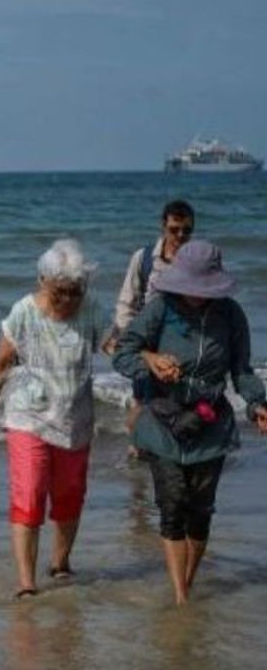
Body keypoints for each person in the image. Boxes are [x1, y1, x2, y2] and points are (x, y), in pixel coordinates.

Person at [111, 240, 267, 605]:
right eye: (190, 288)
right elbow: (123, 353)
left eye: (203, 290)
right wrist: (150, 360)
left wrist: (258, 404)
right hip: (162, 419)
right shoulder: (159, 309)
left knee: (201, 510)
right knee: (172, 503)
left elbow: (241, 370)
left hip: (210, 423)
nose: (195, 296)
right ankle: (181, 597)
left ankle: (189, 580)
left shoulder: (231, 315)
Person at [0, 239, 105, 599]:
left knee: (70, 495)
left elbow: (115, 345)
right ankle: (27, 582)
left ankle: (60, 564)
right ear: (43, 282)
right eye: (61, 292)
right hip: (27, 416)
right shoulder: (24, 312)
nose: (68, 300)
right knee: (29, 494)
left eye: (75, 292)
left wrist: (148, 357)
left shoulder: (91, 309)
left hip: (75, 420)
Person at [104, 200, 196, 354]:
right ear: (163, 226)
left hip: (184, 340)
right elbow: (126, 303)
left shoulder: (197, 262)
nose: (180, 235)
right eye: (174, 230)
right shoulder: (143, 258)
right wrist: (130, 339)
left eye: (186, 231)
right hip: (146, 339)